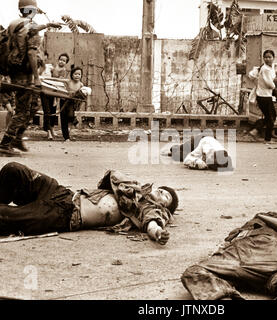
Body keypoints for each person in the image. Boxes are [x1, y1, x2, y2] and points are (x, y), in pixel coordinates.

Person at [0, 162, 179, 245]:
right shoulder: (134, 188)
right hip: (62, 193)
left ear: (165, 208)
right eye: (162, 190)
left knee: (6, 216)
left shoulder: (148, 208)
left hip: (65, 216)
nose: (161, 193)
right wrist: (130, 187)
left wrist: (157, 233)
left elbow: (151, 222)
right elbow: (110, 177)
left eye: (166, 198)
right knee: (14, 170)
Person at [0, 0, 61, 156]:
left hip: (14, 71)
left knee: (33, 105)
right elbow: (31, 53)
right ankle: (6, 143)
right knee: (23, 109)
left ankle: (17, 138)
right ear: (32, 10)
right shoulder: (31, 27)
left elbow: (29, 30)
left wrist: (47, 25)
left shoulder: (14, 24)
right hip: (25, 73)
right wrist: (37, 78)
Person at [248, 50, 277, 145]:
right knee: (271, 117)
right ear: (263, 58)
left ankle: (255, 130)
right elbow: (269, 83)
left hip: (265, 95)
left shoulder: (270, 68)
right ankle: (267, 139)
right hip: (264, 96)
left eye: (270, 57)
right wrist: (276, 90)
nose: (268, 59)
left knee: (271, 116)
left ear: (273, 58)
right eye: (266, 57)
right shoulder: (265, 69)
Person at [41, 53, 70, 140]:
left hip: (55, 92)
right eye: (60, 59)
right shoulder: (52, 68)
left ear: (66, 62)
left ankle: (52, 129)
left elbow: (61, 83)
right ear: (58, 60)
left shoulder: (64, 71)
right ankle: (48, 131)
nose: (61, 61)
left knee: (53, 111)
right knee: (47, 111)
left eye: (64, 61)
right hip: (46, 90)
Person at [60, 66, 84, 142]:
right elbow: (60, 86)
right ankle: (66, 137)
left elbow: (82, 96)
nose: (77, 76)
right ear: (72, 75)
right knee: (63, 119)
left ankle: (74, 121)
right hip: (64, 101)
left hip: (73, 103)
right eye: (75, 74)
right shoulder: (68, 82)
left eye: (79, 74)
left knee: (70, 115)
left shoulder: (81, 85)